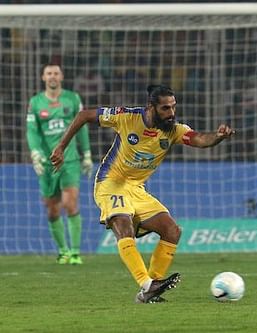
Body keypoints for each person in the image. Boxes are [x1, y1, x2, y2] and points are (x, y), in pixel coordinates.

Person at [50, 85, 234, 303]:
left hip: (136, 189)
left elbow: (200, 139)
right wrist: (61, 147)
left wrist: (218, 136)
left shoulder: (174, 130)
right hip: (110, 183)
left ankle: (151, 290)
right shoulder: (127, 117)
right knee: (124, 225)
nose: (171, 113)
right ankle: (147, 284)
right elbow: (84, 115)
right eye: (165, 108)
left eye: (173, 107)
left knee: (172, 231)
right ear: (151, 107)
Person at [26, 63, 93, 265]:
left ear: (61, 76)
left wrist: (87, 153)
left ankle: (75, 252)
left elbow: (81, 127)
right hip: (47, 163)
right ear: (43, 77)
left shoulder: (72, 99)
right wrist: (35, 153)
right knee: (52, 209)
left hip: (69, 159)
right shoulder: (35, 102)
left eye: (56, 73)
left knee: (70, 203)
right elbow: (32, 131)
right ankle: (63, 251)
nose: (52, 76)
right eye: (49, 73)